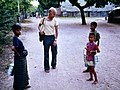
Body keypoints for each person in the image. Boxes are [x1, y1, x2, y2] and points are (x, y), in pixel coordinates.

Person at [38, 7, 58, 73]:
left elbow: (56, 31)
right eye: (53, 14)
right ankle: (46, 67)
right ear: (49, 13)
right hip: (46, 37)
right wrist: (40, 31)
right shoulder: (43, 19)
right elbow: (39, 26)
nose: (54, 15)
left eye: (55, 14)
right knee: (46, 53)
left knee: (54, 52)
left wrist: (56, 39)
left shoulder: (55, 20)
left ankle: (54, 64)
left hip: (52, 37)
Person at [11, 24, 31, 90]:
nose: (19, 32)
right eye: (17, 30)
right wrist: (18, 54)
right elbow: (14, 48)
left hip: (22, 57)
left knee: (24, 71)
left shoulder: (16, 38)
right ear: (14, 31)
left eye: (20, 30)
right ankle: (19, 87)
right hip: (19, 58)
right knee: (20, 73)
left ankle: (24, 84)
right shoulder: (15, 39)